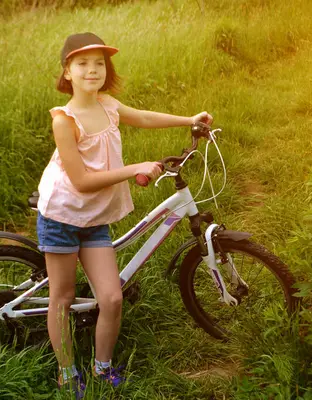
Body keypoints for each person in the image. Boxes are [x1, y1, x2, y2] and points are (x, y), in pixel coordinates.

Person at [36, 32, 213, 398]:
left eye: (99, 63)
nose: (92, 70)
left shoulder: (108, 106)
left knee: (112, 298)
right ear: (67, 71)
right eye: (82, 63)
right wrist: (133, 169)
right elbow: (83, 182)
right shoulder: (64, 120)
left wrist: (188, 119)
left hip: (94, 218)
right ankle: (67, 374)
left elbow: (144, 118)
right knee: (63, 297)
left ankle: (102, 369)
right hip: (63, 216)